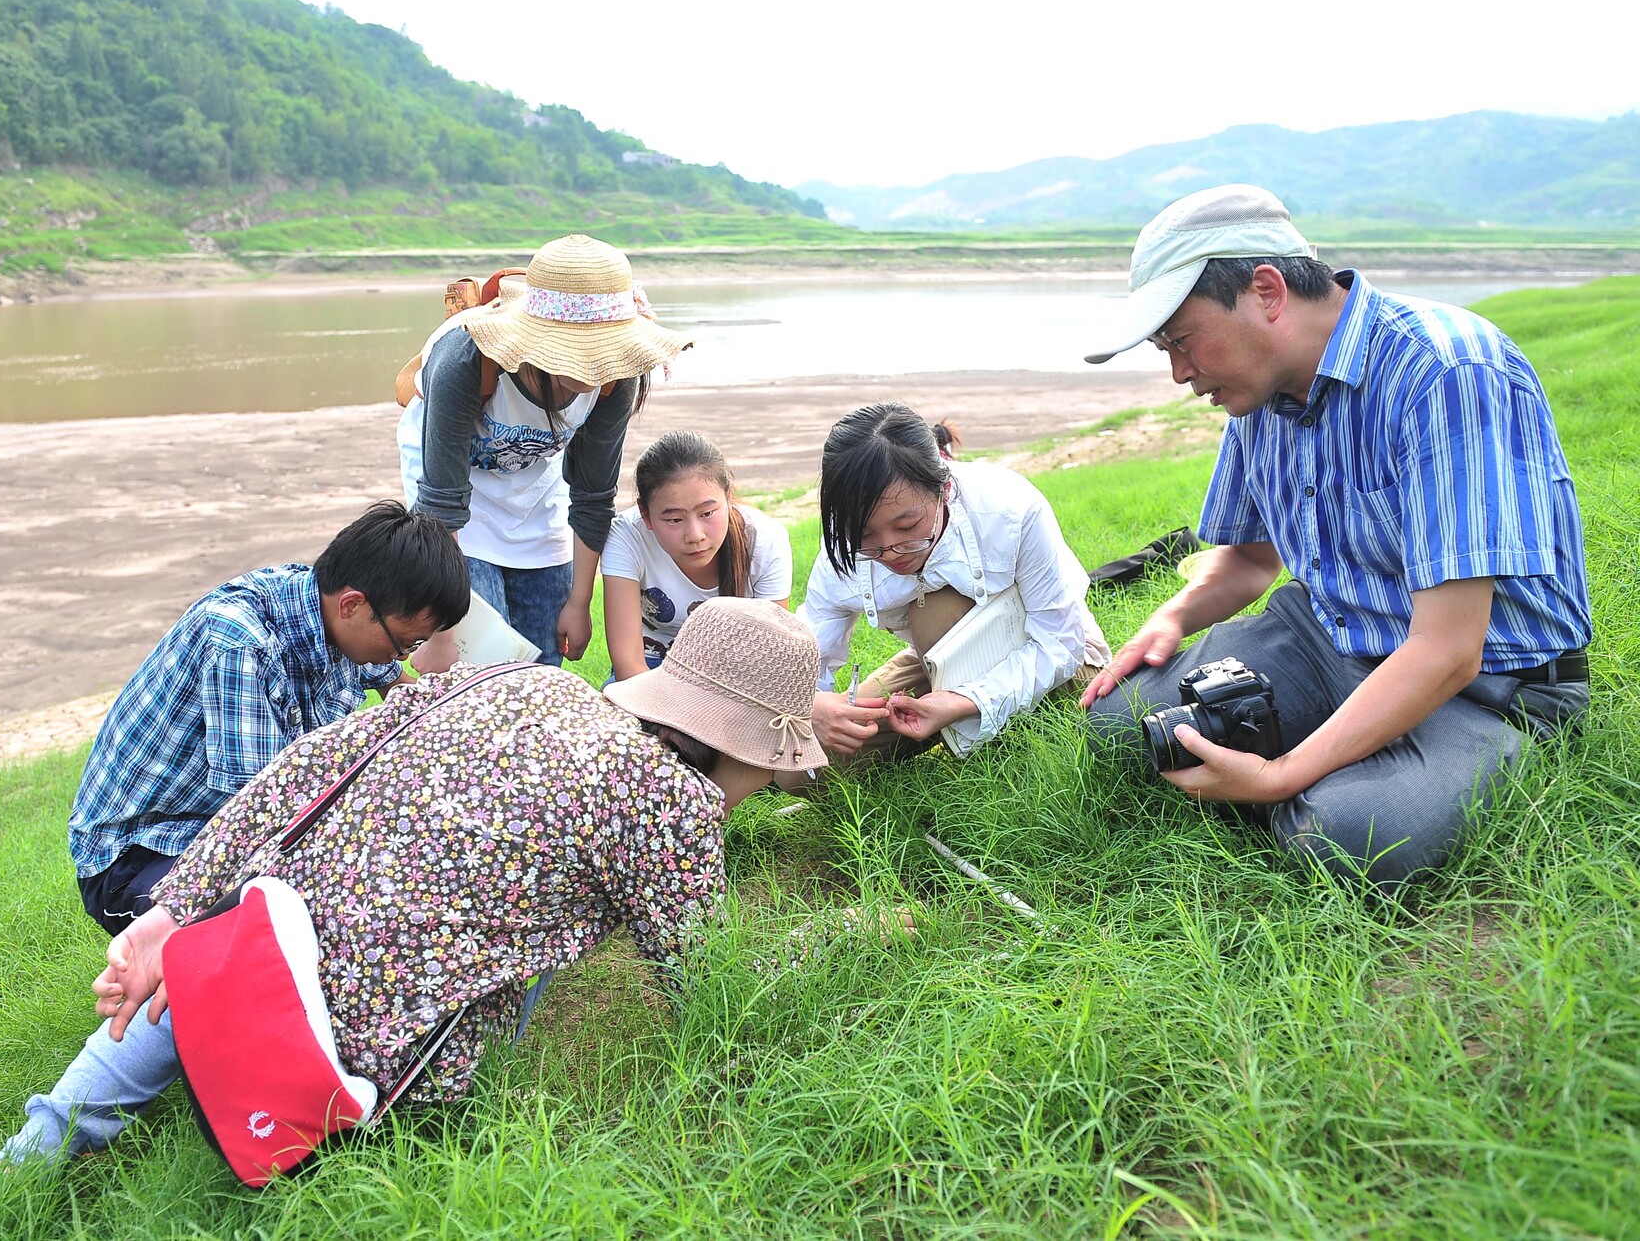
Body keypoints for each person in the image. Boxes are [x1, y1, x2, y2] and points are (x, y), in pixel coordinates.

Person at [0, 599, 826, 1178]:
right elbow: (710, 979)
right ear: (739, 746)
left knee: (216, 957)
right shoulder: (670, 799)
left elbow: (303, 766)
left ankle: (23, 1160)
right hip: (369, 1048)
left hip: (263, 938)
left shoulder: (522, 680)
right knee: (511, 955)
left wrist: (175, 908)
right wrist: (849, 933)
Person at [1077, 183, 1592, 894]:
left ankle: (1322, 772)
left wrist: (1280, 774)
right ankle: (1327, 754)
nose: (1179, 373)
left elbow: (1449, 647)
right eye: (1166, 350)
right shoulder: (1259, 388)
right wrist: (1172, 616)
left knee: (1344, 836)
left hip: (1482, 686)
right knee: (1119, 719)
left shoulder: (1445, 371)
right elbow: (1252, 561)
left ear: (1266, 291)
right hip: (1329, 635)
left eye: (1184, 342)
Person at [68, 501, 470, 935]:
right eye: (405, 644)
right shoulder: (241, 643)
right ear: (352, 605)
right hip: (138, 854)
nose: (399, 657)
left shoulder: (328, 607)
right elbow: (266, 811)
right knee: (272, 926)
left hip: (223, 828)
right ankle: (169, 998)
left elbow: (402, 690)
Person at [397, 234, 689, 667]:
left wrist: (579, 601)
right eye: (578, 351)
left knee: (544, 660)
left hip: (534, 486)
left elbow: (593, 495)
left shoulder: (615, 375)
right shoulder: (465, 359)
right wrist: (442, 630)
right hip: (452, 499)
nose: (594, 366)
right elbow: (442, 502)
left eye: (605, 350)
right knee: (479, 659)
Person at [800, 403, 1108, 763]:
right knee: (807, 763)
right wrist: (814, 706)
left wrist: (965, 702)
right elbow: (810, 651)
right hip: (937, 661)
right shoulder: (840, 550)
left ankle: (995, 749)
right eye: (865, 534)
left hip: (1055, 660)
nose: (889, 551)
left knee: (935, 612)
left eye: (907, 526)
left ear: (944, 487)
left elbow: (1059, 643)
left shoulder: (1008, 508)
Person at [601, 430, 793, 679]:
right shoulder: (627, 536)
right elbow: (629, 666)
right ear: (645, 514)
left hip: (734, 675)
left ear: (728, 498)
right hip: (651, 668)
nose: (695, 535)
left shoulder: (765, 540)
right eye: (674, 519)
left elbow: (770, 659)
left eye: (707, 513)